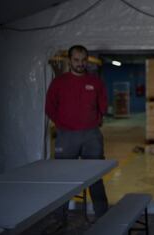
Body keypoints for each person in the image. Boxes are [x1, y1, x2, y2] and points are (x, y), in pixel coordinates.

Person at [46, 45, 109, 219]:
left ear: (87, 60)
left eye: (83, 60)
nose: (80, 64)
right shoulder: (59, 82)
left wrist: (98, 118)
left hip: (91, 136)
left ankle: (103, 216)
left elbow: (103, 104)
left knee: (95, 177)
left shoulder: (95, 82)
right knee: (64, 177)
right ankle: (59, 217)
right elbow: (50, 107)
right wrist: (61, 124)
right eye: (76, 60)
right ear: (69, 60)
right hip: (66, 136)